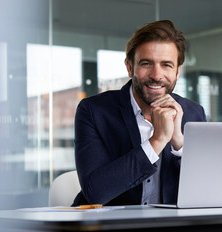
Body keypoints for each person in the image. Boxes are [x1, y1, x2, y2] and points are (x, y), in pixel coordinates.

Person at [72, 20, 206, 206]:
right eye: (146, 63)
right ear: (129, 67)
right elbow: (96, 193)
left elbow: (206, 190)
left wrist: (179, 144)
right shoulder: (94, 111)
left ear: (177, 71)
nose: (156, 75)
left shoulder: (193, 113)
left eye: (166, 65)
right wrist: (157, 141)